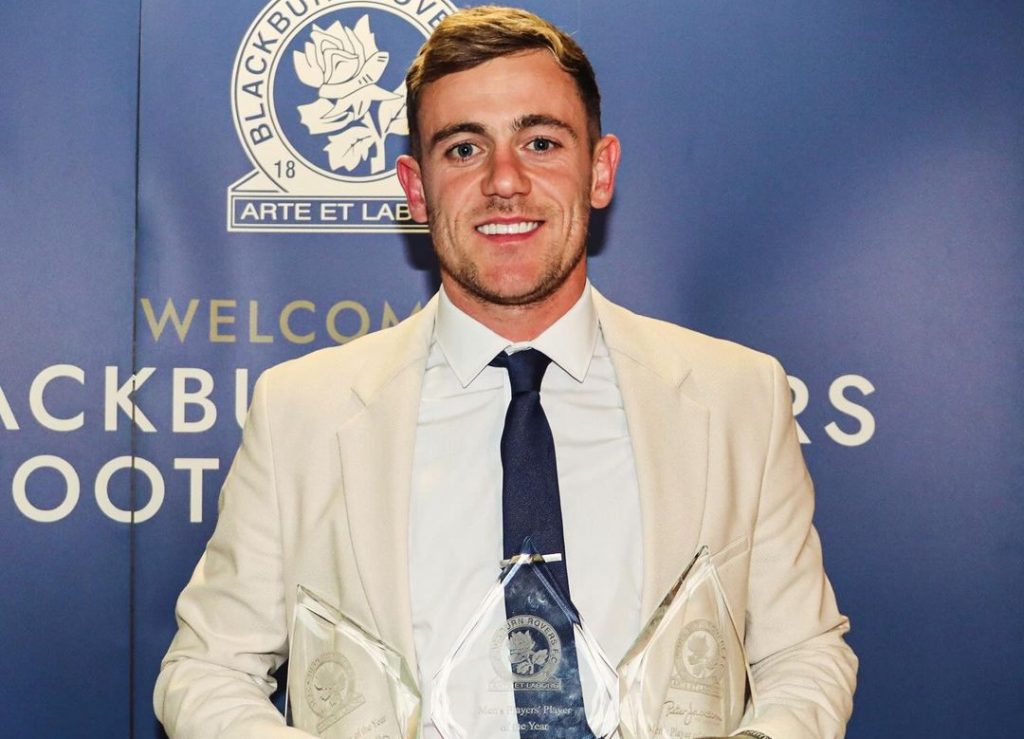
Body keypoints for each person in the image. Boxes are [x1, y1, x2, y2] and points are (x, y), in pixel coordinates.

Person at [154, 6, 857, 738]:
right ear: (417, 189)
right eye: (462, 149)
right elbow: (207, 669)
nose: (505, 181)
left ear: (601, 169)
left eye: (542, 142)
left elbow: (803, 654)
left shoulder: (736, 395)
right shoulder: (303, 409)